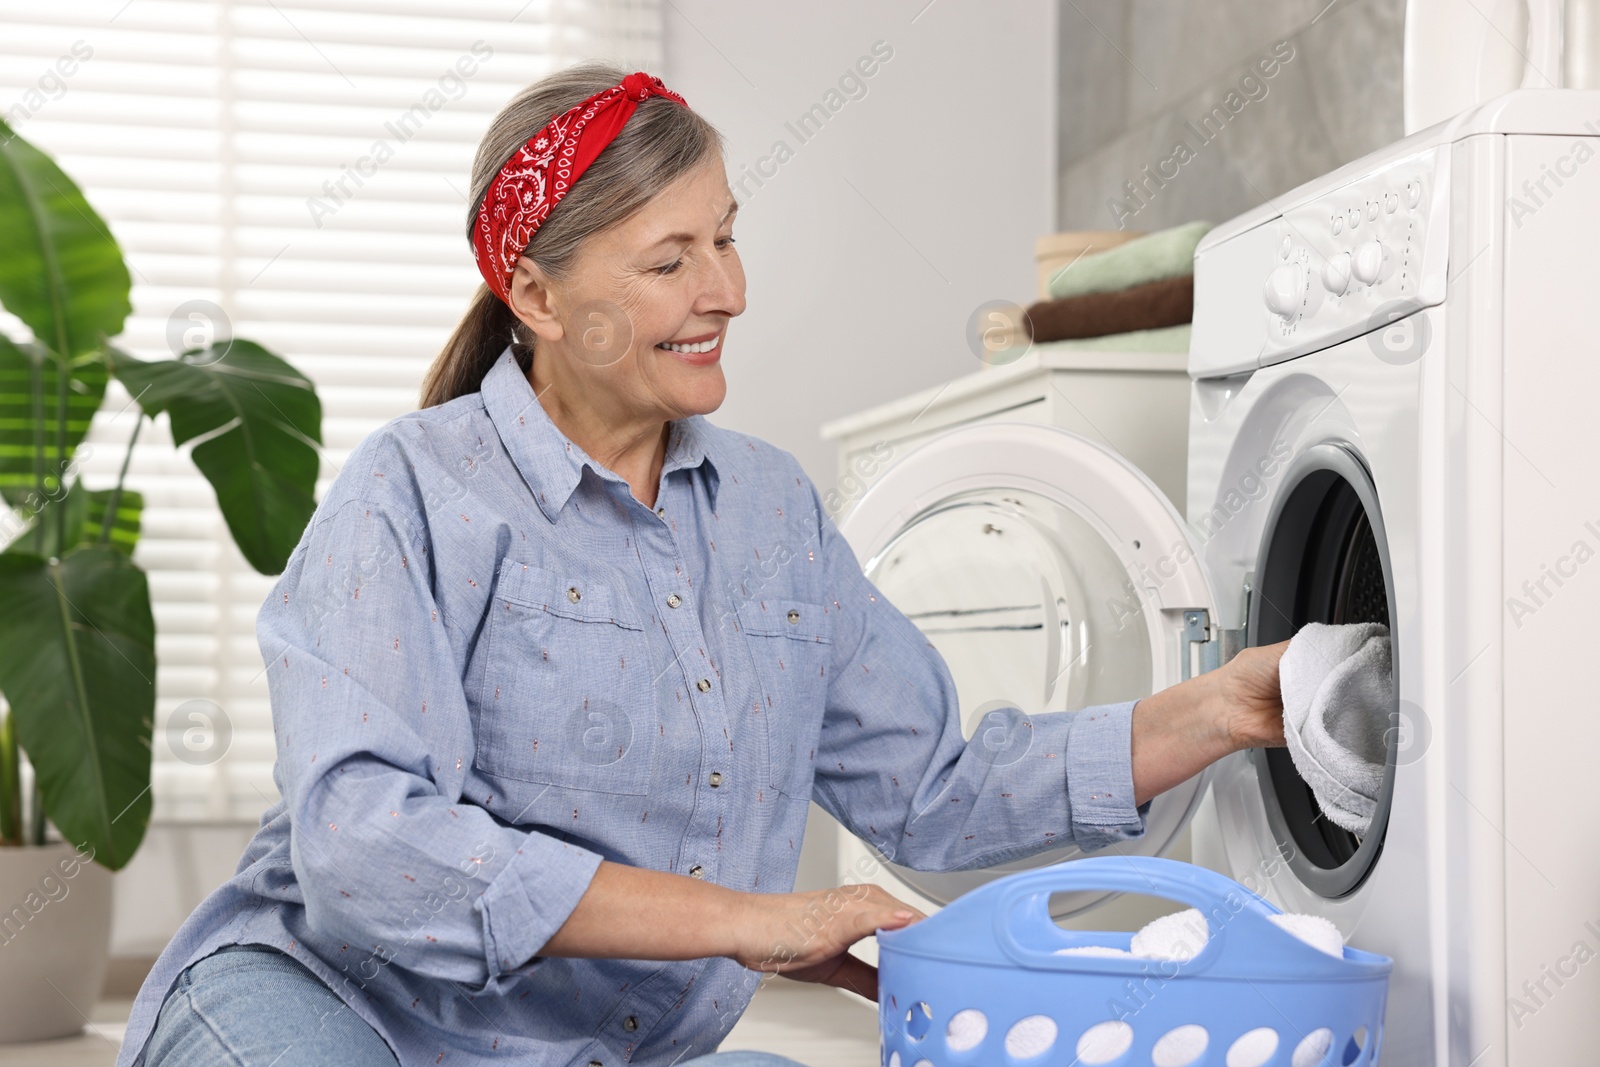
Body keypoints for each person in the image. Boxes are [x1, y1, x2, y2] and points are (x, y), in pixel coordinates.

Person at [117, 63, 1289, 1067]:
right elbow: (366, 848)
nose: (725, 290)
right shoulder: (415, 492)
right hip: (334, 1011)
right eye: (669, 259)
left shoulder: (770, 511)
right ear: (534, 292)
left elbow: (936, 790)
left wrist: (1214, 709)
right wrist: (746, 919)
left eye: (724, 236)